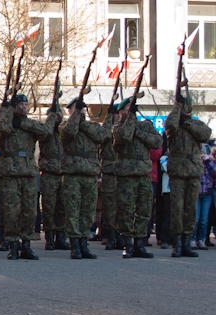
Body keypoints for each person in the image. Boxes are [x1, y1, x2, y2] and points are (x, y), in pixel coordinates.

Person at [0, 93, 49, 260]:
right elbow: (2, 129)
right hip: (9, 172)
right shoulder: (4, 121)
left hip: (28, 171)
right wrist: (9, 112)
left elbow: (45, 131)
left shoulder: (28, 123)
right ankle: (12, 243)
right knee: (11, 210)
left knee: (29, 210)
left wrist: (22, 123)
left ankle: (26, 244)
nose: (24, 107)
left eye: (26, 104)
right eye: (21, 104)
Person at [112, 97, 162, 258]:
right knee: (126, 209)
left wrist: (139, 132)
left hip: (143, 174)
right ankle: (127, 243)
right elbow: (125, 136)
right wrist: (131, 119)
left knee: (144, 209)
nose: (129, 110)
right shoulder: (118, 127)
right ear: (120, 112)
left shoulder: (145, 125)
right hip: (126, 174)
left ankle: (139, 242)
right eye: (126, 108)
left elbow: (157, 141)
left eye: (130, 107)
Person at [58, 98, 108, 259]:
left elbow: (101, 136)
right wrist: (76, 118)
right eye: (75, 109)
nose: (79, 111)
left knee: (87, 211)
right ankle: (74, 244)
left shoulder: (91, 126)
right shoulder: (64, 126)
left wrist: (83, 122)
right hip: (72, 173)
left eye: (80, 109)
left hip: (90, 173)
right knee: (73, 210)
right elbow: (70, 132)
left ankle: (84, 242)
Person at [165, 94, 213, 257]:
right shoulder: (174, 125)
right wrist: (176, 107)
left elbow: (205, 134)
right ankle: (177, 243)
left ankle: (187, 242)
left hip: (193, 170)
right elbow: (169, 124)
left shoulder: (196, 124)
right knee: (177, 208)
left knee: (190, 209)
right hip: (178, 170)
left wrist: (187, 122)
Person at [38, 104, 69, 251]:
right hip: (49, 172)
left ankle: (61, 237)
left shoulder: (64, 131)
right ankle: (50, 237)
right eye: (54, 116)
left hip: (63, 171)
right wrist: (51, 118)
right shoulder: (46, 131)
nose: (57, 118)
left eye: (59, 115)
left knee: (62, 206)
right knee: (49, 206)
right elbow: (46, 133)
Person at [99, 100, 120, 250]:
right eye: (116, 114)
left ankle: (121, 236)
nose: (119, 116)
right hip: (109, 170)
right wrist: (108, 117)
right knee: (109, 206)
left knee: (123, 206)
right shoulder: (107, 127)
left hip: (123, 170)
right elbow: (104, 135)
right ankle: (110, 236)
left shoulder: (127, 126)